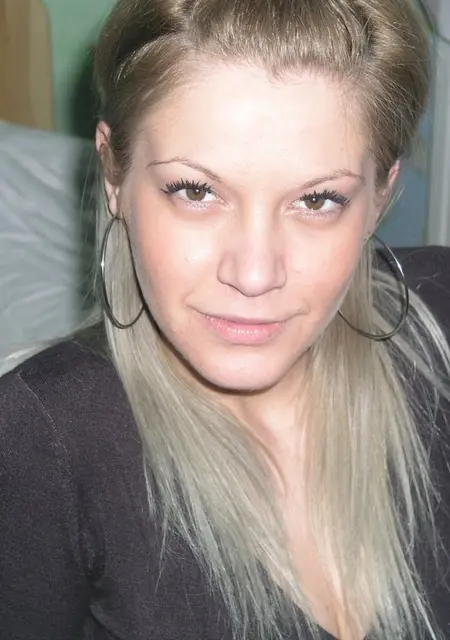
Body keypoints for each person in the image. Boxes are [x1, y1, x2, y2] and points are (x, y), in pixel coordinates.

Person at [1, 0, 450, 638]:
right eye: (196, 191)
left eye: (318, 200)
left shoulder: (439, 325)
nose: (255, 273)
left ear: (379, 195)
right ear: (114, 173)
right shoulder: (40, 443)